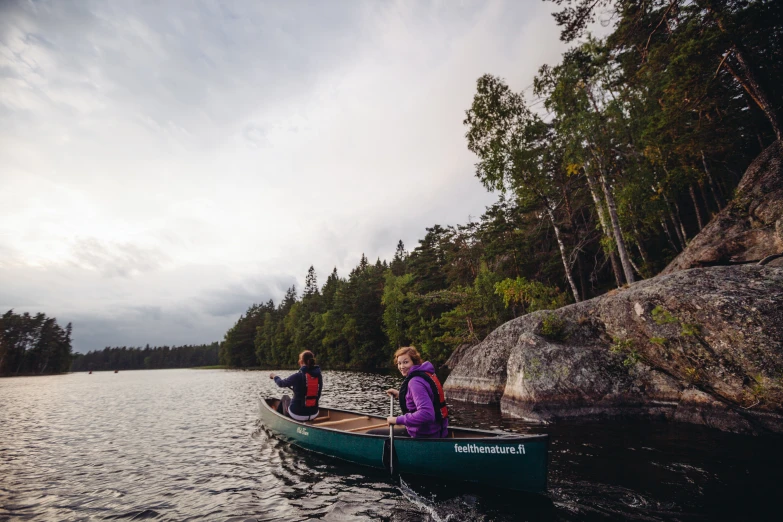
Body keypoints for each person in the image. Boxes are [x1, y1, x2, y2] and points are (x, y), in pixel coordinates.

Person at [368, 346, 449, 438]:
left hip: (424, 434)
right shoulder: (426, 374)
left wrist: (397, 420)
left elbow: (426, 414)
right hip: (438, 430)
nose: (402, 367)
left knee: (371, 434)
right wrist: (401, 395)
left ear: (414, 362)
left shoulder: (415, 382)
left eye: (406, 362)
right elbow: (427, 396)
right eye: (399, 363)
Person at [269, 350, 323, 421]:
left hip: (297, 414)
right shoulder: (318, 376)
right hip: (314, 413)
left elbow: (281, 383)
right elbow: (318, 395)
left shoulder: (298, 375)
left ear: (301, 362)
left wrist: (274, 376)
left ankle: (279, 422)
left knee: (285, 398)